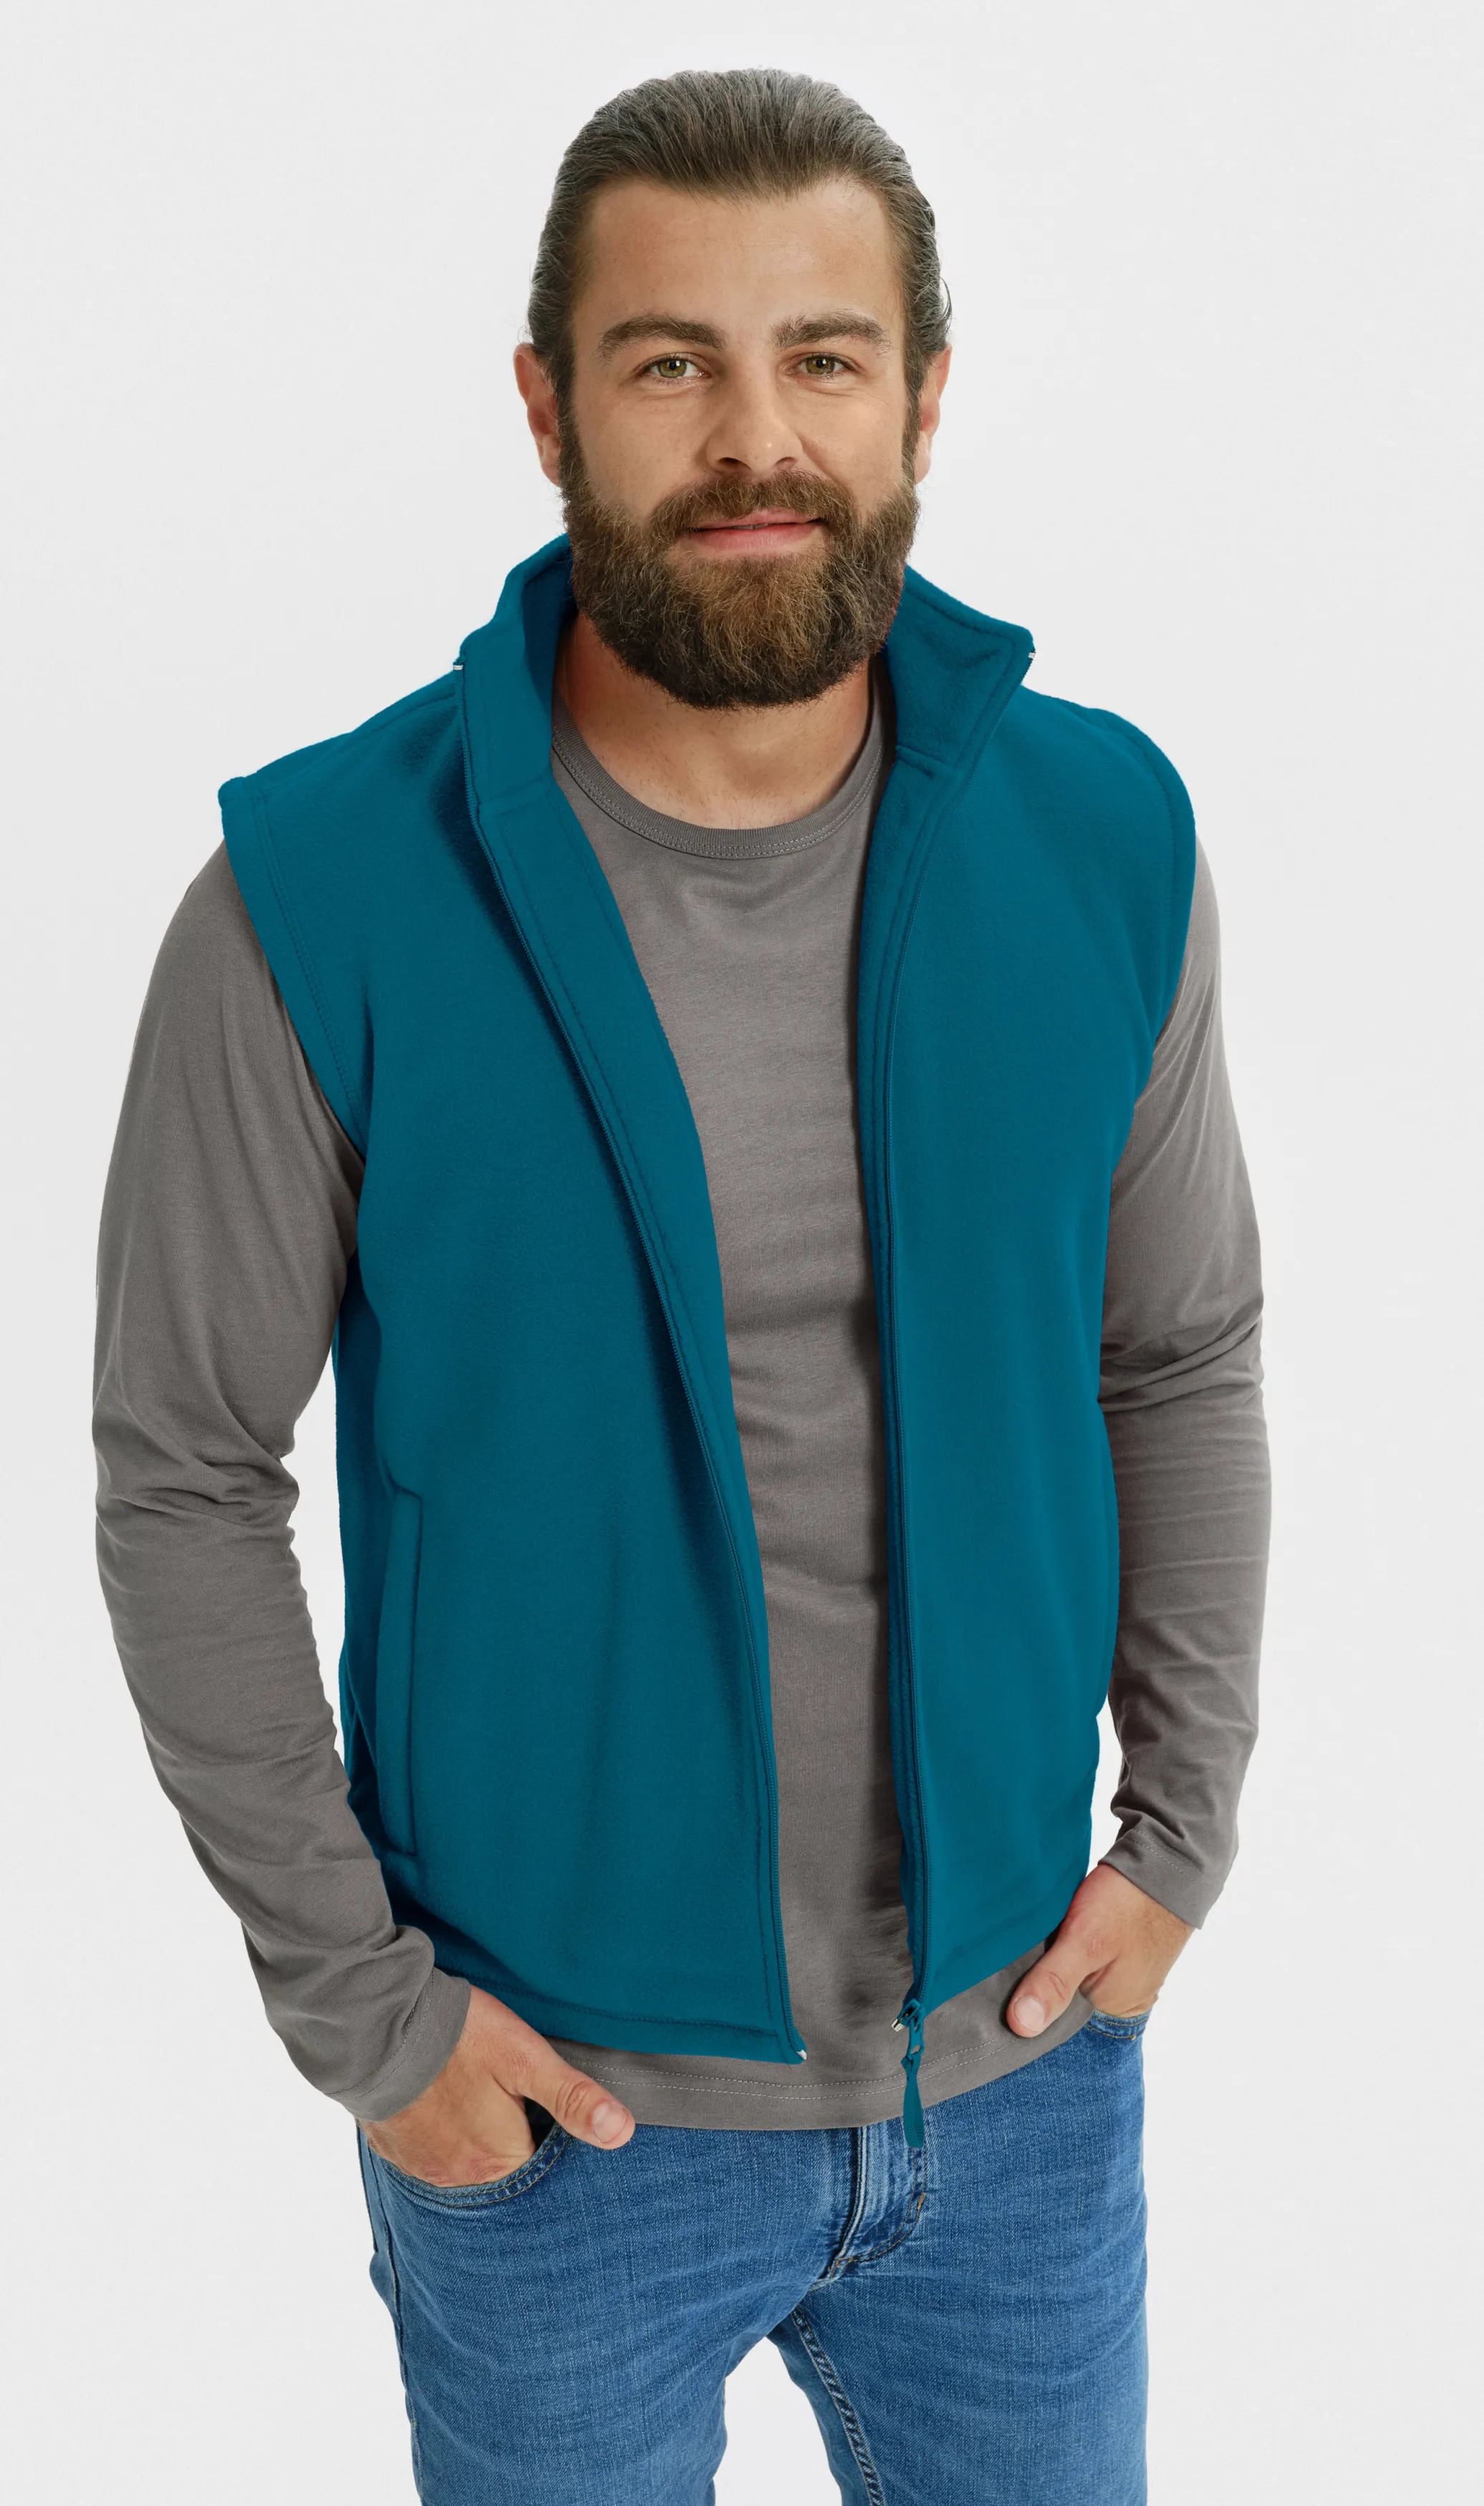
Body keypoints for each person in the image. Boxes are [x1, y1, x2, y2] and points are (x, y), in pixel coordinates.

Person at [94, 67, 1269, 2506]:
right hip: (555, 2128)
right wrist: (369, 2020)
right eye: (670, 364)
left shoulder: (1106, 837)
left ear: (922, 398)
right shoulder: (316, 896)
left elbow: (1177, 1350)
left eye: (823, 357)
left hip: (1023, 2083)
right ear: (549, 408)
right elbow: (184, 1471)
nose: (758, 438)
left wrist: (1181, 1835)